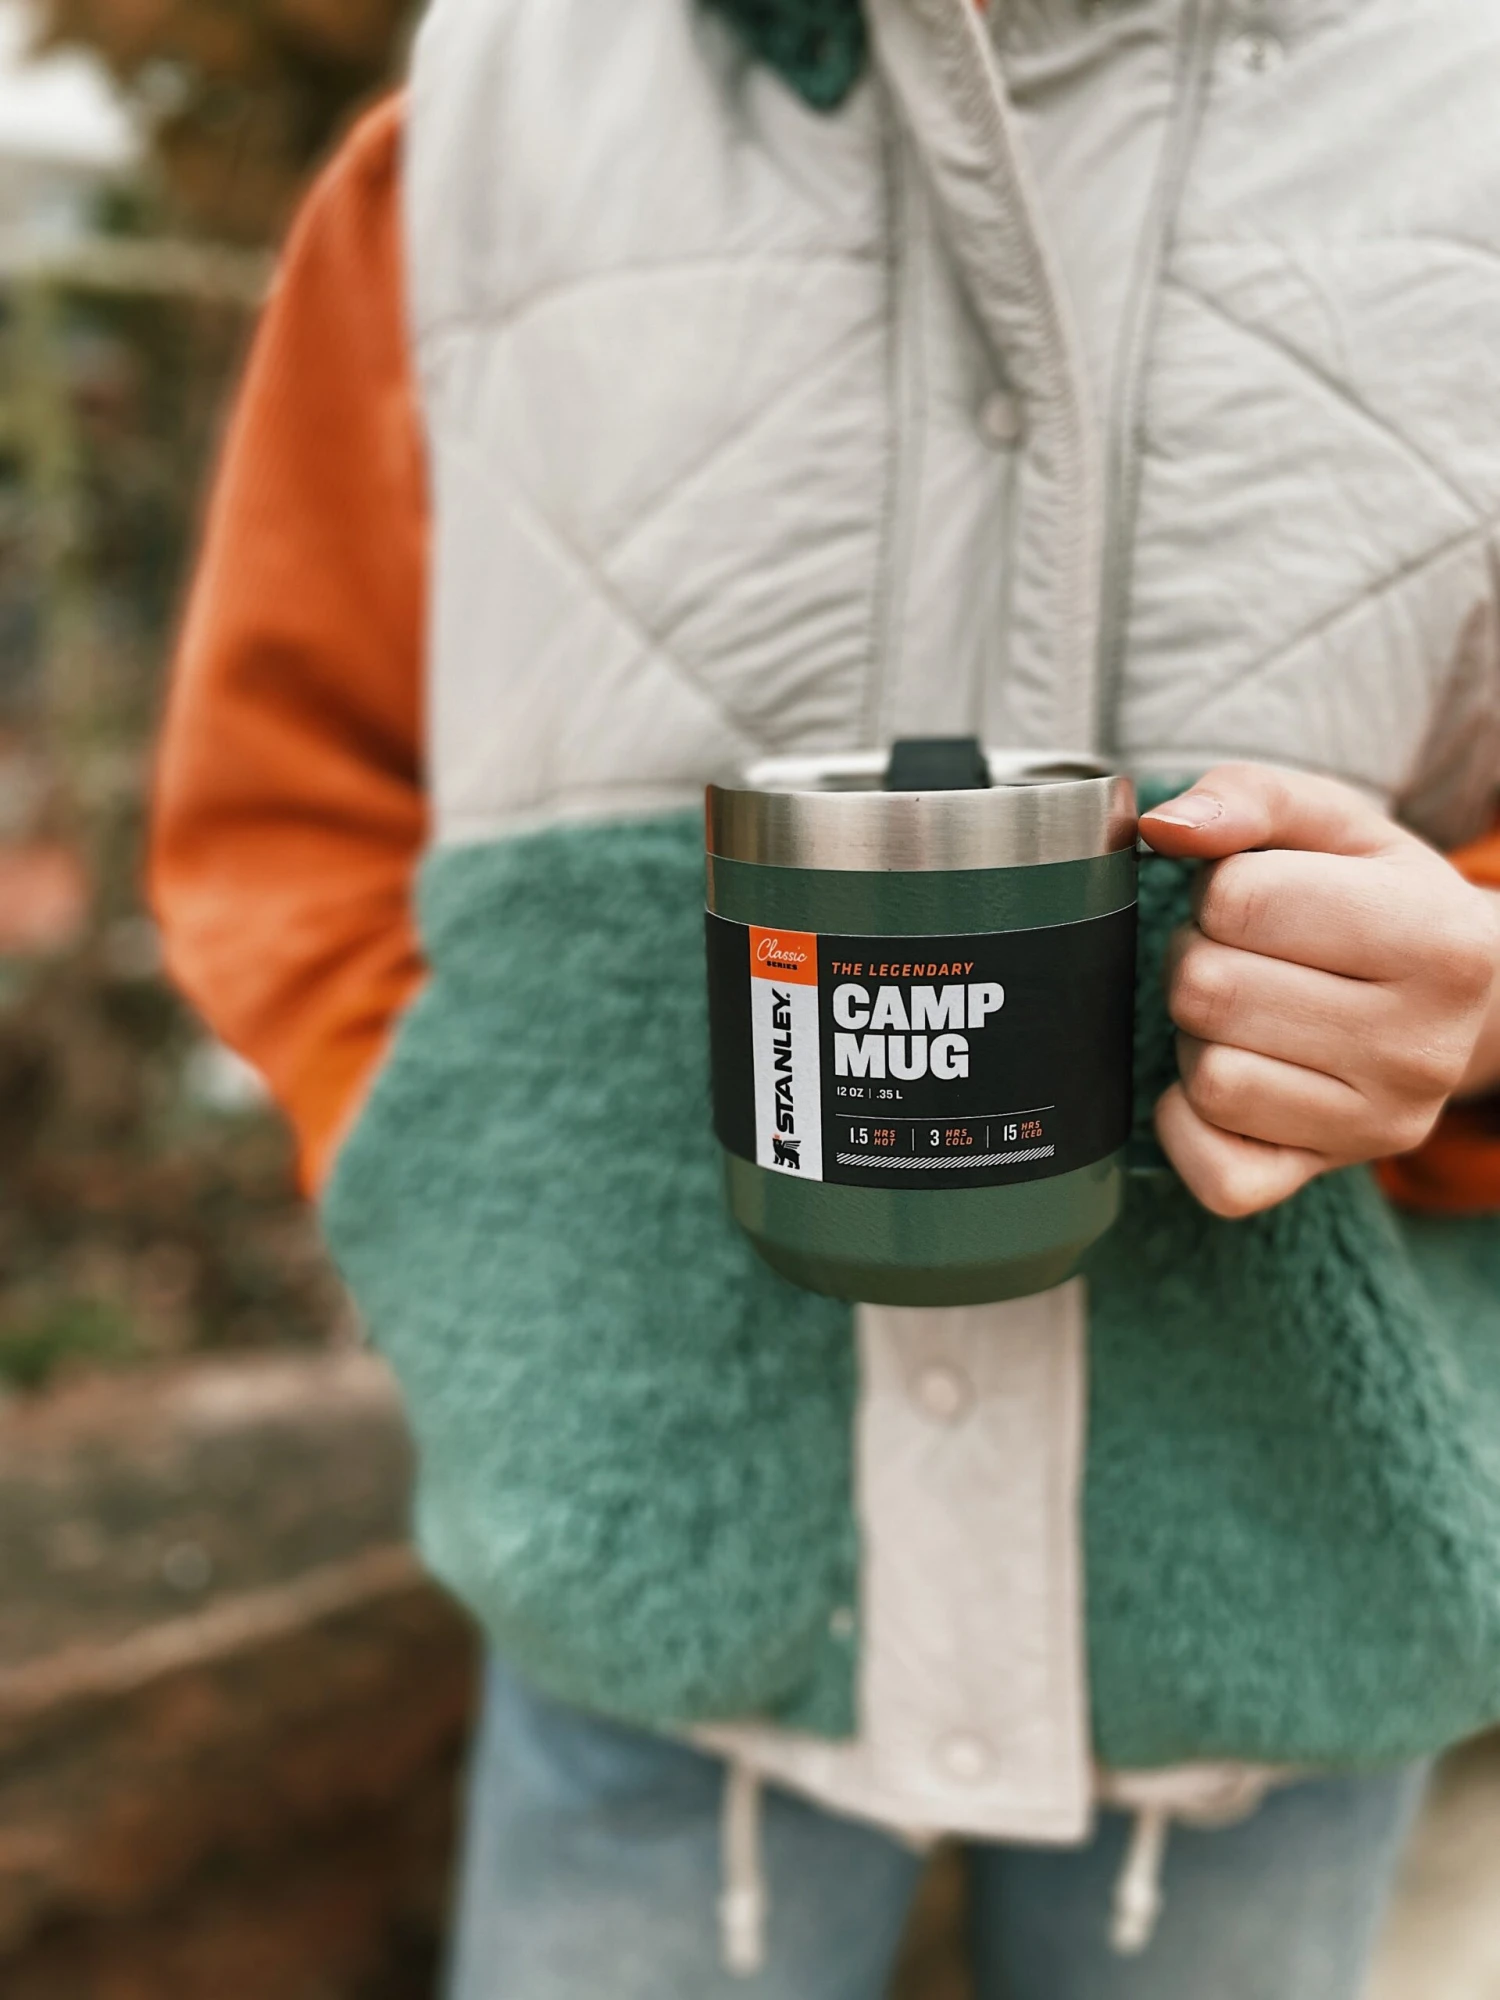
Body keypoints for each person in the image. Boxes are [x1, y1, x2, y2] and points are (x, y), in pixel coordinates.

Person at [151, 3, 1500, 1994]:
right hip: (646, 1567)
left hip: (1285, 1584)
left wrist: (1475, 1016)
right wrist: (456, 1208)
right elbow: (286, 805)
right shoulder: (491, 110)